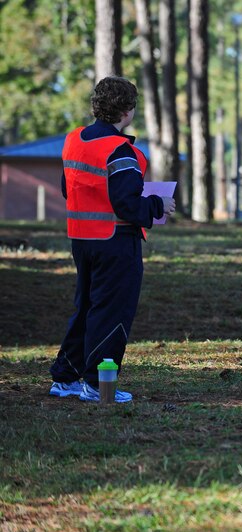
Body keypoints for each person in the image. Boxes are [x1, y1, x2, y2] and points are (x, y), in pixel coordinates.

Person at [48, 76, 175, 403]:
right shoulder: (120, 150)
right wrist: (159, 205)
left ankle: (65, 378)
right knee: (111, 312)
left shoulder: (74, 140)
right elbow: (128, 204)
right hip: (116, 242)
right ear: (128, 111)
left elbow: (68, 188)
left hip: (82, 240)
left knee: (86, 307)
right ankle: (96, 385)